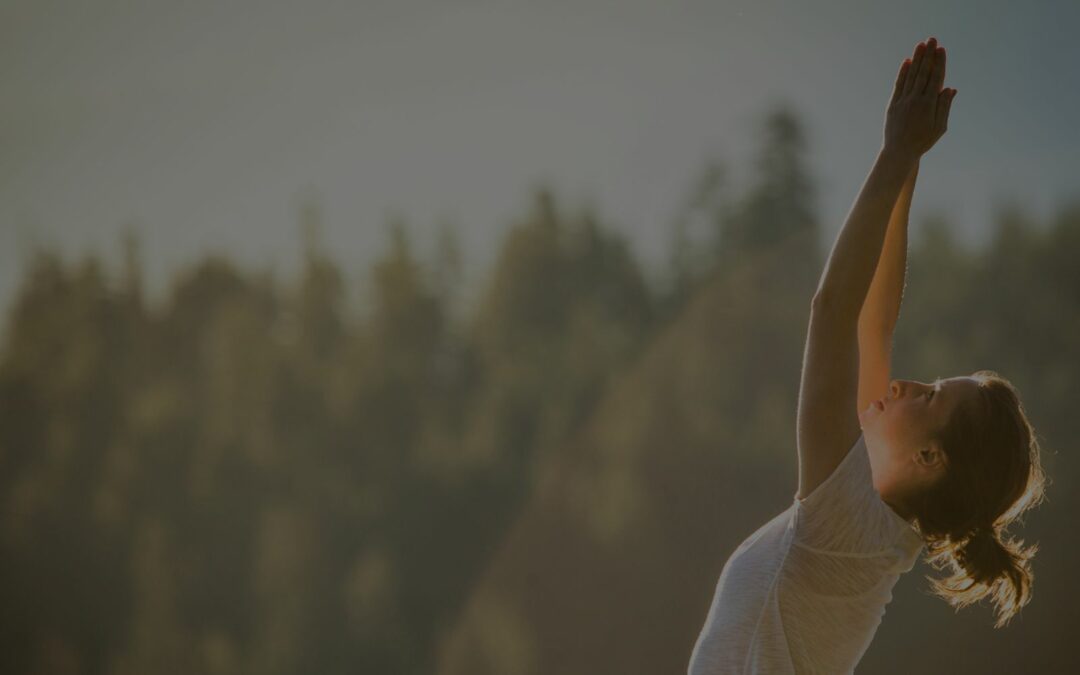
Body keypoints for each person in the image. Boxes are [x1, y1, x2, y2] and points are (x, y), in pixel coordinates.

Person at [687, 36, 1047, 675]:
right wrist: (909, 168)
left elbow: (833, 313)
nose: (908, 384)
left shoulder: (848, 527)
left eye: (932, 396)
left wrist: (894, 153)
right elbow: (871, 328)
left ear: (930, 457)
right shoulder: (876, 525)